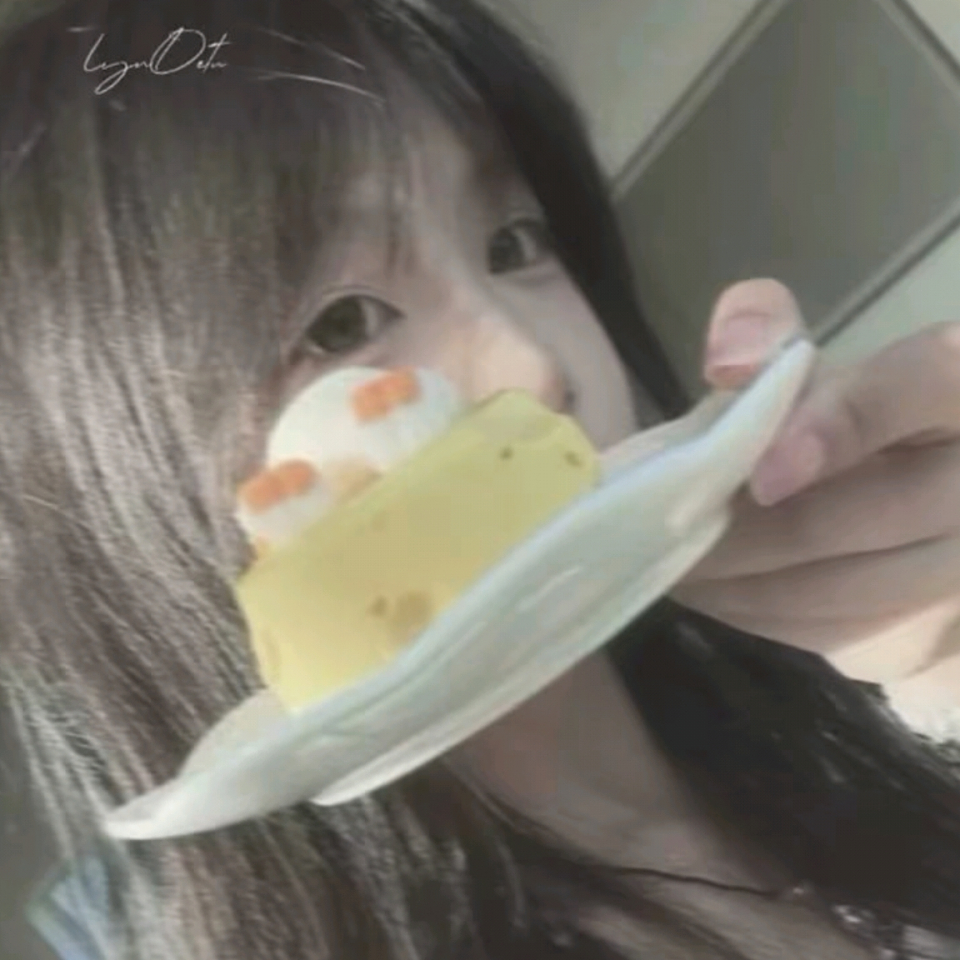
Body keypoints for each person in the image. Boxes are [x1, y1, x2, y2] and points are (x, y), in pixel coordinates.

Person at [5, 1, 960, 958]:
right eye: (341, 325)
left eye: (514, 243)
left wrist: (938, 670)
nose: (534, 364)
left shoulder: (828, 721)